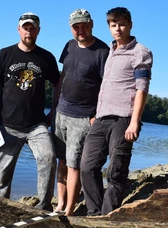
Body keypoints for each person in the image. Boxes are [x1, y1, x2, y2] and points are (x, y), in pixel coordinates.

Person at [0, 12, 60, 211]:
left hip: (37, 125)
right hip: (7, 124)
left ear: (38, 31)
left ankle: (44, 206)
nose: (29, 31)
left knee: (48, 158)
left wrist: (54, 111)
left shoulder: (46, 58)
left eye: (32, 27)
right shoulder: (5, 54)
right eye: (25, 27)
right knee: (3, 172)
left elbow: (58, 85)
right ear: (19, 29)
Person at [80, 7, 153, 216]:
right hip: (101, 118)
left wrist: (134, 121)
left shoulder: (140, 52)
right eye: (113, 25)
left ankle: (108, 216)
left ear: (130, 24)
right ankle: (94, 213)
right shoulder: (111, 51)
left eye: (121, 24)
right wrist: (96, 113)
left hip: (123, 120)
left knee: (116, 171)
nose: (117, 29)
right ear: (109, 28)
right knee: (87, 166)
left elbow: (142, 88)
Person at [52, 9, 109, 216]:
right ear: (71, 28)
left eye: (84, 25)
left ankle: (69, 209)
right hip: (61, 111)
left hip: (83, 116)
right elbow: (63, 76)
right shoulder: (68, 46)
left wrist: (96, 115)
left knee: (74, 164)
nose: (80, 29)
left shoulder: (102, 51)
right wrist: (53, 105)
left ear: (91, 24)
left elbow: (106, 86)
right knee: (62, 161)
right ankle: (59, 204)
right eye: (76, 26)